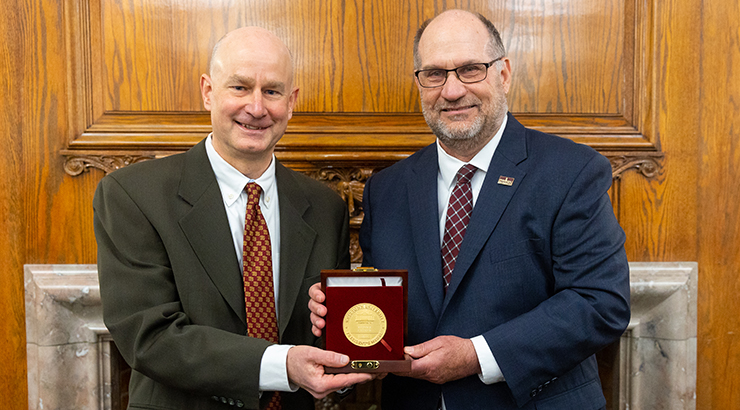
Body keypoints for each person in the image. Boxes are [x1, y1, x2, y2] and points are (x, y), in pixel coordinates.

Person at [309, 9, 631, 410]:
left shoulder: (570, 171)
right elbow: (384, 320)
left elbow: (600, 303)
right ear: (419, 83)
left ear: (504, 73)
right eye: (435, 74)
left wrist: (477, 355)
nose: (452, 90)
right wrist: (341, 321)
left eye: (470, 69)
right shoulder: (385, 190)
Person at [94, 27, 372, 410]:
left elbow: (327, 336)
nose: (256, 108)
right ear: (208, 92)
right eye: (239, 88)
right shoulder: (134, 195)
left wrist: (352, 362)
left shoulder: (324, 207)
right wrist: (281, 364)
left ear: (291, 102)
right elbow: (148, 336)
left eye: (272, 91)